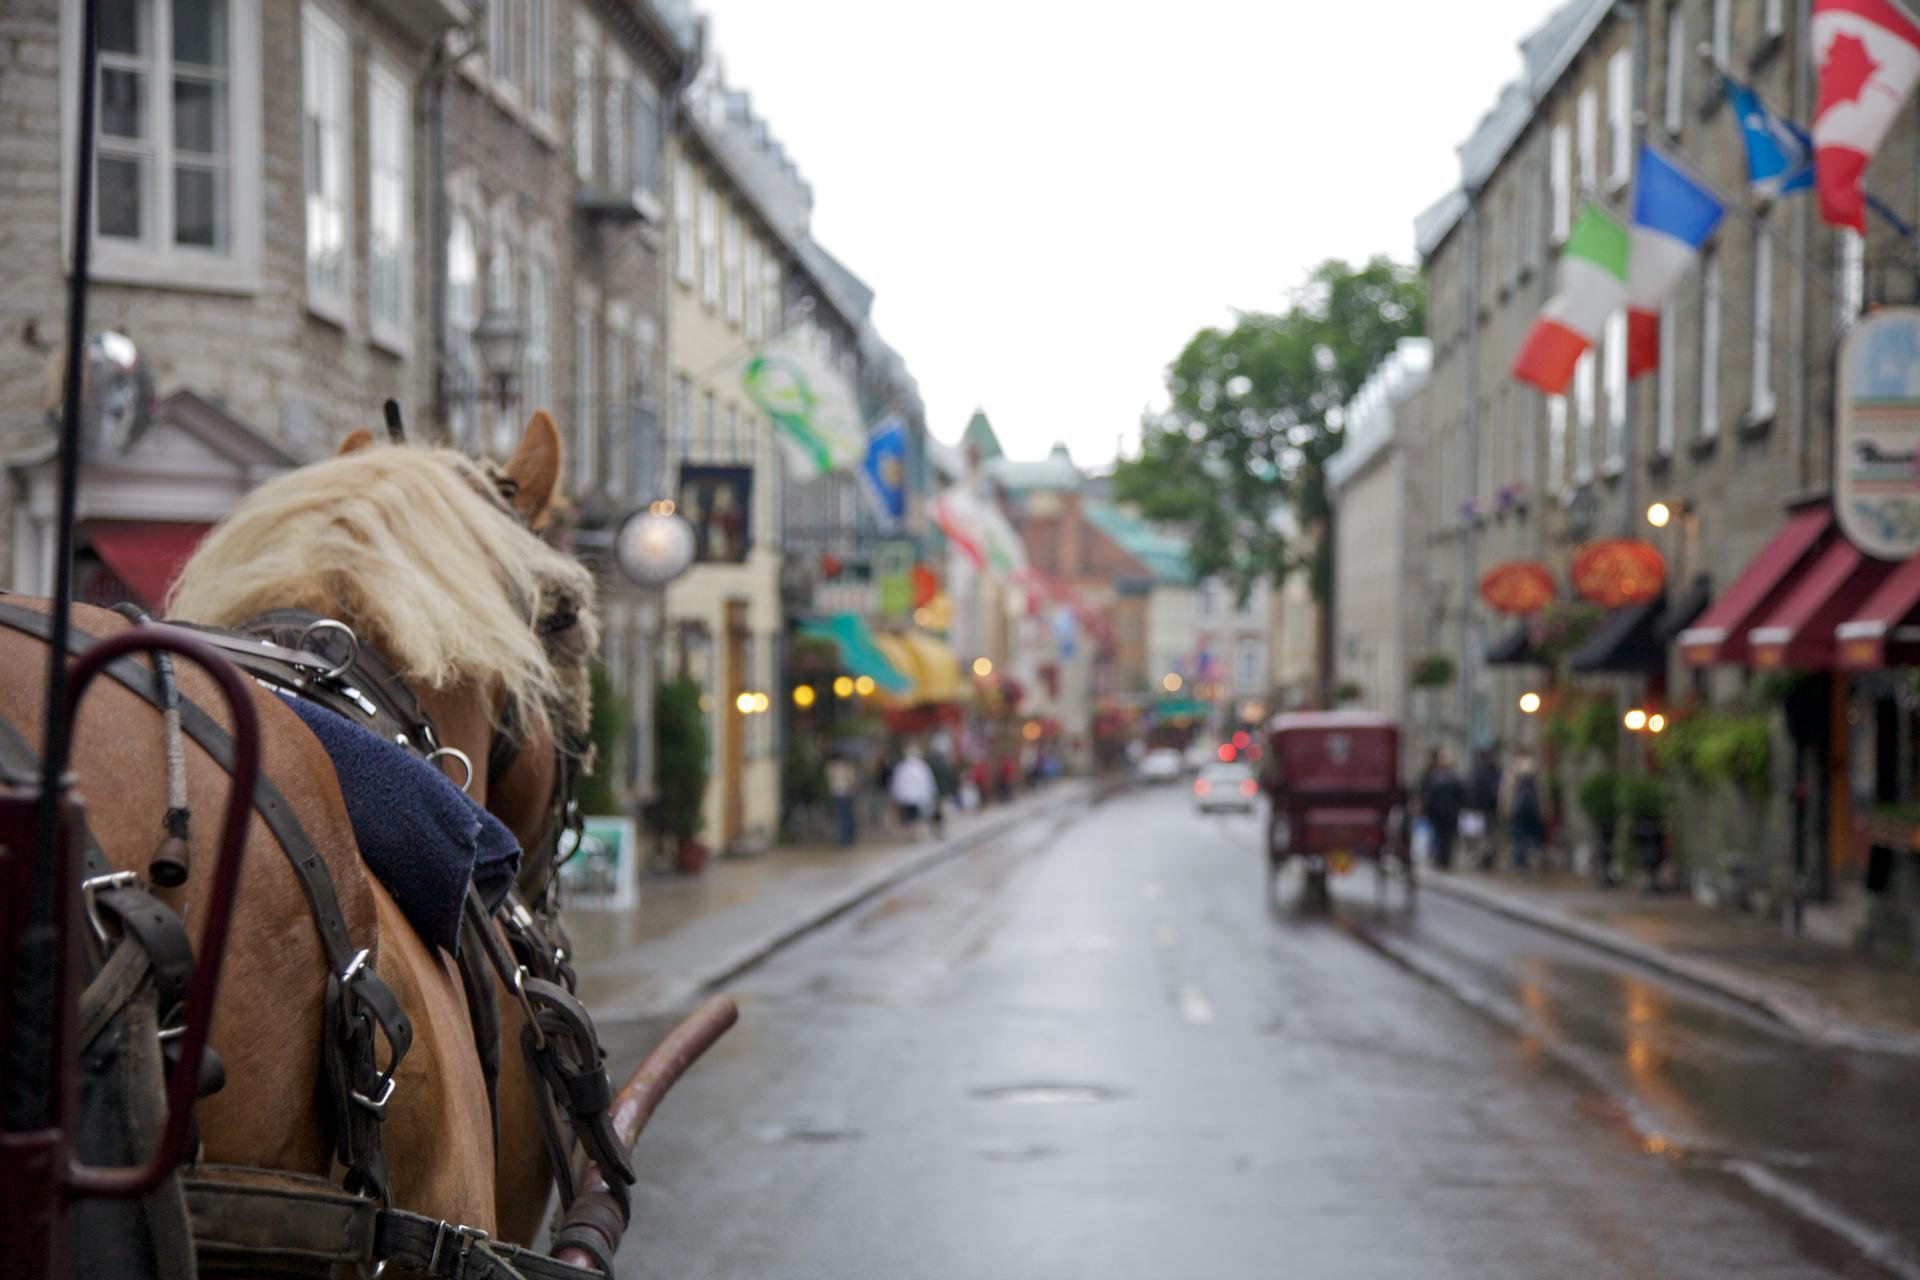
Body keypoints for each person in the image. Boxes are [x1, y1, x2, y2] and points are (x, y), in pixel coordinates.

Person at [1420, 750, 1466, 871]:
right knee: (1445, 838)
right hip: (1445, 814)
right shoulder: (1449, 780)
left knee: (1442, 837)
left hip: (1442, 814)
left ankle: (1441, 860)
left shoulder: (1438, 780)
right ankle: (1443, 860)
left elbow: (1429, 797)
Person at [1501, 750, 1546, 872]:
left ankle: (1521, 864)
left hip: (1517, 809)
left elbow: (1506, 791)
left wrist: (1504, 809)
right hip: (1533, 809)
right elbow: (1543, 791)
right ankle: (1532, 861)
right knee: (1532, 836)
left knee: (1518, 836)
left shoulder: (1513, 769)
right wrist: (1544, 809)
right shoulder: (1536, 769)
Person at [889, 745, 939, 837]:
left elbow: (897, 783)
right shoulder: (921, 766)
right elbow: (927, 781)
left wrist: (897, 795)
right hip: (918, 796)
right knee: (917, 815)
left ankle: (912, 832)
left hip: (907, 796)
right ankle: (915, 832)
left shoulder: (902, 767)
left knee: (911, 815)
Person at [825, 751, 861, 848]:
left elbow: (829, 778)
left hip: (837, 793)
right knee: (848, 817)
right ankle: (848, 838)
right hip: (847, 793)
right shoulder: (848, 767)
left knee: (842, 817)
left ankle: (844, 838)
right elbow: (854, 780)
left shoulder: (831, 767)